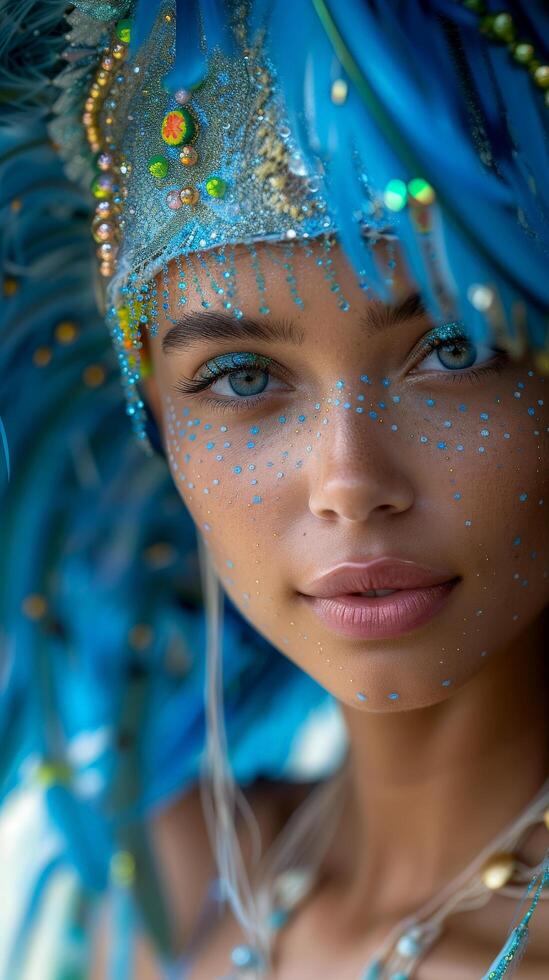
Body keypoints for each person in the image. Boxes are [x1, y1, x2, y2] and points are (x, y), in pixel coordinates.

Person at [1, 1, 548, 978]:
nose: (350, 481)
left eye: (455, 349)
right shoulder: (151, 889)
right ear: (156, 424)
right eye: (243, 377)